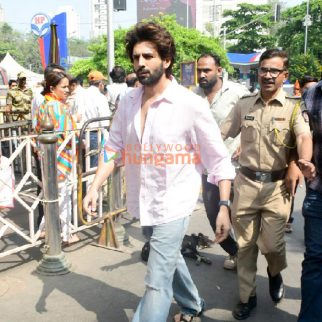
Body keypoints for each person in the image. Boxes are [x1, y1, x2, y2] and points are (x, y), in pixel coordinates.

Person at [83, 21, 235, 322]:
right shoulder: (127, 101)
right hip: (143, 203)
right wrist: (94, 186)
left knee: (156, 281)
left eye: (148, 56)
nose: (140, 63)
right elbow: (113, 147)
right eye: (136, 57)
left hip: (174, 204)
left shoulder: (189, 104)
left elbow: (218, 160)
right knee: (168, 258)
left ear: (166, 60)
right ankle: (192, 304)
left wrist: (224, 206)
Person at [220, 49, 312, 320]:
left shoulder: (295, 106)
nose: (268, 75)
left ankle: (274, 272)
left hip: (277, 188)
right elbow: (221, 134)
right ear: (258, 72)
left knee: (272, 245)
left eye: (274, 71)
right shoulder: (244, 104)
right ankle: (247, 297)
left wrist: (304, 160)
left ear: (285, 75)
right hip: (246, 184)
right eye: (264, 70)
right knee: (246, 246)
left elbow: (304, 136)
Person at [194, 53, 249, 270]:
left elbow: (254, 117)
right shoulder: (193, 96)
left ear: (219, 70)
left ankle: (246, 259)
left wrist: (245, 143)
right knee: (212, 213)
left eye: (206, 70)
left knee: (239, 216)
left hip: (237, 166)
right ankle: (234, 251)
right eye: (199, 70)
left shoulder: (237, 92)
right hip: (209, 169)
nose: (202, 74)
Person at [35, 71, 79, 244]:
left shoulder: (44, 105)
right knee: (63, 197)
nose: (67, 90)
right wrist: (75, 122)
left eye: (68, 86)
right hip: (60, 157)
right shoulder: (56, 106)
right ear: (52, 88)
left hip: (47, 156)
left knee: (52, 196)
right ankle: (67, 234)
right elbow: (69, 135)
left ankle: (43, 230)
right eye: (64, 87)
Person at [297, 79, 322, 322]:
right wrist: (305, 161)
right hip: (318, 190)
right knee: (316, 258)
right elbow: (306, 134)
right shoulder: (314, 93)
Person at [84, 70, 111, 167]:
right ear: (100, 84)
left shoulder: (81, 95)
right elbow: (105, 121)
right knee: (94, 165)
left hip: (80, 133)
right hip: (95, 135)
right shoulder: (100, 97)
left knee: (84, 165)